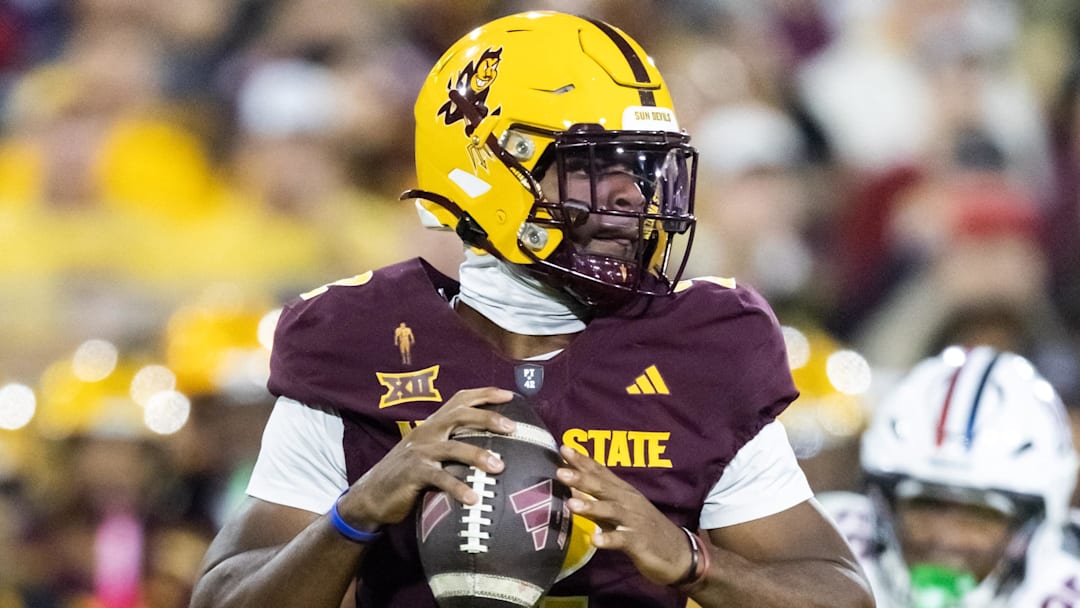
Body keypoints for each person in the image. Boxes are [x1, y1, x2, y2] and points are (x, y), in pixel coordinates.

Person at [190, 11, 872, 608]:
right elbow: (227, 597)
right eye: (595, 165)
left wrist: (692, 560)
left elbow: (840, 594)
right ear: (490, 165)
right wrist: (358, 511)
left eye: (641, 167)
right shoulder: (360, 341)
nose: (632, 196)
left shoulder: (702, 348)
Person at [819, 345, 1080, 607]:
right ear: (885, 504)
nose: (945, 538)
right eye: (926, 506)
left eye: (978, 516)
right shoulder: (828, 547)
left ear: (1035, 523)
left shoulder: (1064, 587)